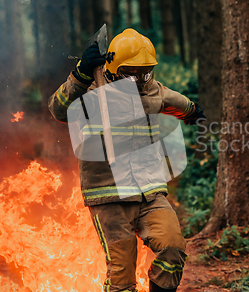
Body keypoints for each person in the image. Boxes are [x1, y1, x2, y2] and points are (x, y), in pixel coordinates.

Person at [49, 28, 206, 292]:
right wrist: (80, 73)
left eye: (144, 72)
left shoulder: (151, 89)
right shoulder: (90, 92)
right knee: (122, 280)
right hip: (109, 197)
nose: (138, 79)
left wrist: (191, 111)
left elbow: (171, 98)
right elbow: (58, 108)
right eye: (129, 73)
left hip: (149, 191)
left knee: (173, 249)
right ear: (111, 68)